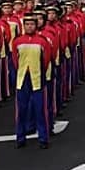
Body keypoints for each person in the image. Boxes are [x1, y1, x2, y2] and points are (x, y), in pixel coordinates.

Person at [11, 13, 51, 149]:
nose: (29, 26)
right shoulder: (17, 41)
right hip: (22, 79)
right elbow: (15, 61)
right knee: (21, 110)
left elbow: (46, 60)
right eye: (27, 24)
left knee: (40, 109)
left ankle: (43, 138)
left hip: (37, 78)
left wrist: (40, 72)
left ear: (36, 25)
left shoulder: (42, 41)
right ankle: (20, 138)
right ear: (24, 26)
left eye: (32, 24)